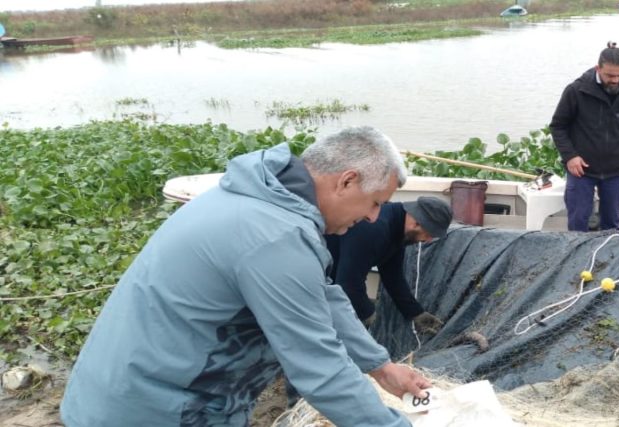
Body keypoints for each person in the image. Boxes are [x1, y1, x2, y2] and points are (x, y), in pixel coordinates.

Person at [61, 127, 430, 426]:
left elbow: (320, 295)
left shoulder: (265, 197)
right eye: (376, 202)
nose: (372, 217)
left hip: (131, 389)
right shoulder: (275, 236)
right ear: (346, 181)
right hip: (152, 409)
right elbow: (321, 369)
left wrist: (380, 367)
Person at [550, 41, 619, 232]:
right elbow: (558, 127)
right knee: (578, 222)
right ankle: (576, 257)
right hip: (581, 171)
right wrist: (570, 156)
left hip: (615, 171)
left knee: (613, 224)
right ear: (598, 68)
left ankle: (609, 259)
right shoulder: (576, 91)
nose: (615, 80)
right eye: (610, 75)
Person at [326, 196, 453, 332]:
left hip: (331, 284)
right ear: (416, 224)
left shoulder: (397, 228)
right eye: (429, 234)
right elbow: (348, 283)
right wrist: (367, 314)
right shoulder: (375, 228)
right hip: (315, 280)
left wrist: (416, 313)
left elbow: (393, 276)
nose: (428, 240)